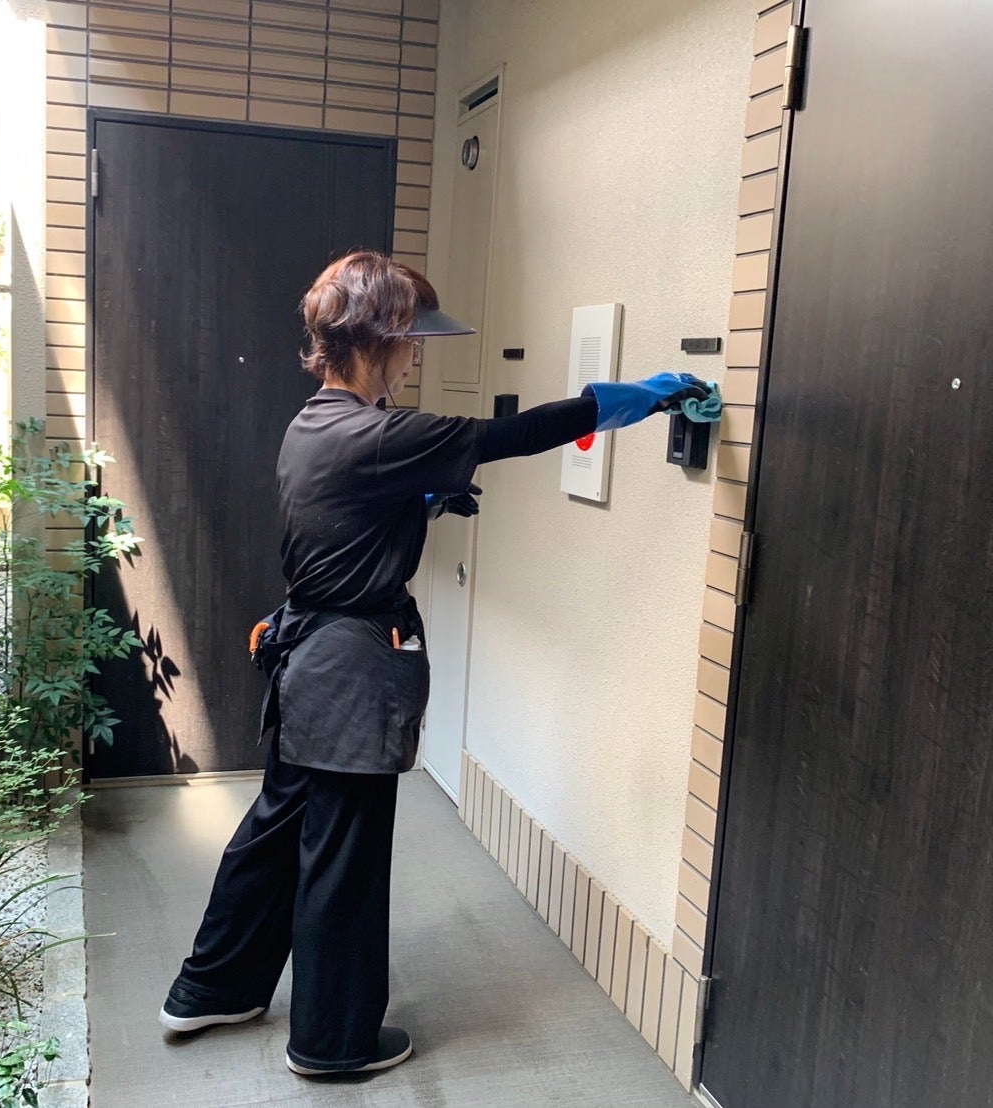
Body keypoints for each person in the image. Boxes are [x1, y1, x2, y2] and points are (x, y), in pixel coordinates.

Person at [158, 250, 712, 1077]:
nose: (416, 356)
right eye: (411, 341)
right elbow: (511, 435)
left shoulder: (314, 423)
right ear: (376, 339)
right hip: (349, 676)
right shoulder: (381, 433)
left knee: (274, 834)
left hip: (309, 666)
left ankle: (211, 988)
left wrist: (416, 501)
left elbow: (342, 516)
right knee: (342, 859)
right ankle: (332, 1044)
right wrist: (637, 398)